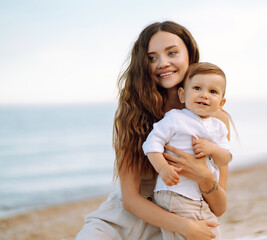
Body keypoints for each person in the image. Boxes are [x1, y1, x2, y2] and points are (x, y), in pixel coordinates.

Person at [76, 21, 230, 240]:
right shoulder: (132, 113)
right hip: (124, 220)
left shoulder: (215, 121)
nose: (163, 63)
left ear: (189, 54)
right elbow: (130, 200)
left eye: (172, 52)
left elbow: (219, 208)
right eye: (152, 57)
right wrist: (184, 227)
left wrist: (204, 176)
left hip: (178, 220)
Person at [142, 62, 232, 240]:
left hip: (200, 198)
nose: (204, 95)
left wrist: (212, 149)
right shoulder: (175, 118)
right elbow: (152, 143)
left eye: (212, 92)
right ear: (182, 95)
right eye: (197, 88)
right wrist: (162, 168)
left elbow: (225, 158)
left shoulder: (219, 127)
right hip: (175, 193)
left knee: (212, 234)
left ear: (221, 103)